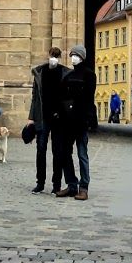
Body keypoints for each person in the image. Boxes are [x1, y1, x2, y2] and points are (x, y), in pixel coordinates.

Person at [53, 45, 97, 199]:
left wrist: (88, 118)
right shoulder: (68, 75)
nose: (73, 57)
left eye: (76, 55)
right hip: (68, 121)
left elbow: (89, 98)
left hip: (81, 120)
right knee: (66, 153)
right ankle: (71, 184)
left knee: (82, 154)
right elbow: (61, 96)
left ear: (82, 57)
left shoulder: (89, 75)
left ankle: (83, 187)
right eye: (72, 55)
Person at [26, 48, 65, 195]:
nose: (54, 58)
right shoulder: (40, 72)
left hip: (59, 118)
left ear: (60, 58)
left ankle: (57, 184)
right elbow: (35, 97)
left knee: (57, 151)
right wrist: (31, 117)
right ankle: (40, 183)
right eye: (52, 55)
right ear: (48, 56)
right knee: (41, 150)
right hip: (42, 117)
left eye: (56, 56)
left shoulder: (64, 73)